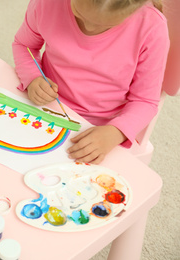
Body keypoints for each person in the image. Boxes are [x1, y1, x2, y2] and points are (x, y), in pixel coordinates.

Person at [12, 0, 169, 164]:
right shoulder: (47, 3)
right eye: (78, 15)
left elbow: (145, 101)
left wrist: (115, 132)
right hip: (44, 107)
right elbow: (24, 45)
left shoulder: (151, 27)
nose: (90, 27)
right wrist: (32, 77)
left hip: (101, 128)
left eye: (106, 24)